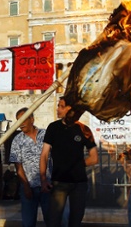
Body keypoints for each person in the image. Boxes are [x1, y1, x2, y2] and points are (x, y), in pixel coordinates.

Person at [40, 96, 98, 227]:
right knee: (53, 220)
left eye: (61, 106)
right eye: (58, 105)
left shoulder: (84, 130)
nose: (58, 109)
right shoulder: (53, 127)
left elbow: (94, 158)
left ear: (70, 109)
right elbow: (44, 154)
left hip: (79, 183)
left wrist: (77, 165)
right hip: (59, 182)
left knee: (75, 220)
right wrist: (43, 179)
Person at [9, 107, 51, 227]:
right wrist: (26, 186)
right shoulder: (17, 140)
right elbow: (18, 166)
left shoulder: (46, 135)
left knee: (52, 220)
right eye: (18, 121)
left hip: (47, 186)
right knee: (28, 222)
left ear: (32, 119)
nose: (20, 124)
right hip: (29, 188)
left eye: (22, 120)